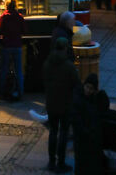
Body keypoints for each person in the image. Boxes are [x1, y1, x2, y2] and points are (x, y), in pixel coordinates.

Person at [43, 36, 80, 173]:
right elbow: (76, 83)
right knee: (63, 133)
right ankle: (61, 161)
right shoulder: (68, 66)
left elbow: (44, 80)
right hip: (65, 103)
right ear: (65, 48)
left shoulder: (47, 63)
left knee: (53, 132)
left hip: (51, 102)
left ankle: (51, 161)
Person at [72, 73, 110, 175]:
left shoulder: (95, 99)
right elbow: (76, 120)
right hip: (83, 139)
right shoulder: (77, 99)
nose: (88, 90)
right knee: (82, 166)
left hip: (93, 140)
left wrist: (100, 93)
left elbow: (105, 107)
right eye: (87, 87)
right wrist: (86, 132)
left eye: (91, 88)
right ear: (84, 85)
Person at [0, 0, 25, 99]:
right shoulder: (20, 16)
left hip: (7, 45)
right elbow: (23, 31)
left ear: (6, 6)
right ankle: (21, 92)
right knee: (19, 70)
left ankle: (1, 92)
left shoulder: (4, 17)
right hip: (17, 45)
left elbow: (0, 31)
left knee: (4, 69)